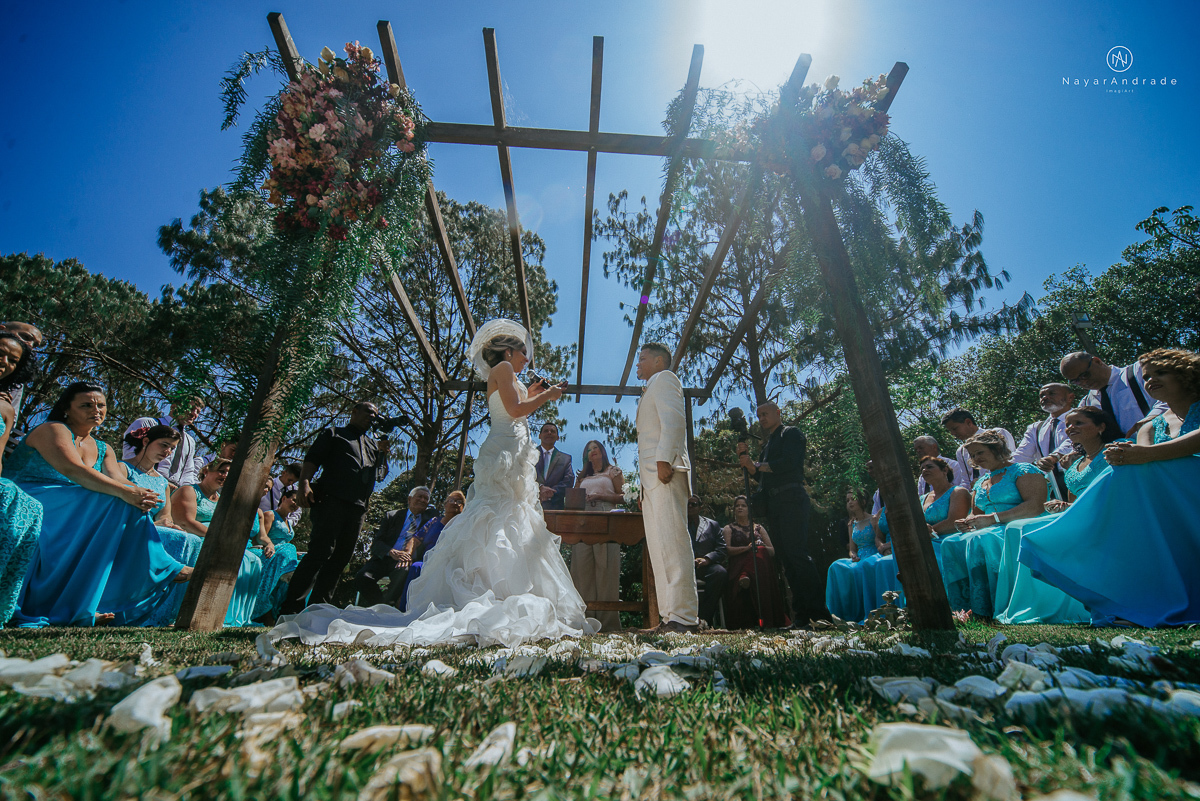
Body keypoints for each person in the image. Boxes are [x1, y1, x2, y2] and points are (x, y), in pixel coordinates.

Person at [269, 319, 598, 648]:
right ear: (510, 351)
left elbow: (518, 402)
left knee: (510, 517)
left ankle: (505, 588)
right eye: (524, 353)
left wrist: (536, 392)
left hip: (512, 451)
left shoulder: (508, 375)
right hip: (504, 454)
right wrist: (549, 395)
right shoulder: (502, 369)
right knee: (497, 516)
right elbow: (514, 408)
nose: (528, 360)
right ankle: (490, 590)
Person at [1021, 348, 1200, 627]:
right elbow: (1143, 466)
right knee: (1125, 477)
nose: (1150, 381)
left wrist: (1143, 456)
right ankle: (1130, 595)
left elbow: (1151, 458)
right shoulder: (1149, 426)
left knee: (1126, 479)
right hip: (1162, 497)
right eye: (1149, 376)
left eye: (1160, 373)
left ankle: (1077, 531)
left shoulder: (1140, 388)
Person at [9, 382, 190, 627]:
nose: (96, 410)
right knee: (114, 501)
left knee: (128, 504)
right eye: (86, 405)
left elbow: (119, 481)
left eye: (101, 405)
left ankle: (85, 604)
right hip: (33, 495)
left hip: (76, 503)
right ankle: (166, 569)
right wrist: (126, 493)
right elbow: (74, 470)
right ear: (66, 408)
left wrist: (139, 494)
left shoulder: (104, 447)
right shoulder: (52, 429)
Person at [994, 406, 1120, 624]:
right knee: (1015, 529)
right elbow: (1072, 503)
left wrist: (1072, 509)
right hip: (1078, 515)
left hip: (1106, 516)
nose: (1071, 428)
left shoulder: (1112, 454)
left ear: (1101, 427)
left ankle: (1063, 605)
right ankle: (1032, 604)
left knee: (1027, 530)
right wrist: (1061, 505)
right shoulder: (1076, 464)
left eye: (1079, 423)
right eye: (1069, 424)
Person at [278, 401, 391, 614]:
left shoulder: (371, 444)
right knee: (319, 553)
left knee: (340, 558)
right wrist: (304, 484)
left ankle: (319, 608)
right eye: (369, 411)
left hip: (358, 508)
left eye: (376, 414)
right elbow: (313, 459)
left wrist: (382, 453)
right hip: (331, 500)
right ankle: (291, 608)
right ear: (354, 412)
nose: (373, 416)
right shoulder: (334, 433)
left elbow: (380, 475)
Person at [937, 429, 1047, 619]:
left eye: (980, 452)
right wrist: (966, 523)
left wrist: (993, 519)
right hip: (988, 528)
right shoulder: (981, 483)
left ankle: (991, 606)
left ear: (996, 449)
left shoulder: (1024, 470)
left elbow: (1034, 506)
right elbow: (976, 514)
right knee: (950, 542)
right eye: (972, 455)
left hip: (1018, 526)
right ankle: (963, 607)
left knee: (982, 538)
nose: (976, 458)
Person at [738, 401, 825, 625]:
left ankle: (819, 614)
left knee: (797, 554)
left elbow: (788, 463)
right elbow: (763, 478)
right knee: (786, 558)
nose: (762, 418)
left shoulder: (791, 434)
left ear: (778, 413)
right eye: (758, 416)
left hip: (792, 499)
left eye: (765, 413)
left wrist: (757, 465)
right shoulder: (767, 445)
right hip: (775, 503)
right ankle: (802, 616)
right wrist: (750, 466)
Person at [635, 342, 700, 633]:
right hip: (650, 480)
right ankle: (669, 616)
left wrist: (664, 460)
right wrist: (642, 487)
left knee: (673, 543)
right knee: (659, 548)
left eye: (643, 358)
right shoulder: (651, 385)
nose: (638, 363)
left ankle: (685, 617)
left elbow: (674, 421)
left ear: (660, 362)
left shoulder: (665, 379)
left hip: (665, 471)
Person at [171, 458, 267, 626]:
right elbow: (185, 521)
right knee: (240, 559)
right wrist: (217, 537)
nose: (225, 476)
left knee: (254, 560)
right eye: (221, 471)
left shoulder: (223, 499)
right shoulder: (189, 491)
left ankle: (236, 616)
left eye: (229, 474)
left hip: (218, 539)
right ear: (206, 471)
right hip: (197, 537)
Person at [872, 458, 972, 610]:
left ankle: (948, 605)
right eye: (922, 469)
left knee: (924, 551)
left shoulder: (958, 492)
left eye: (929, 467)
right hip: (926, 540)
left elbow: (954, 521)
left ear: (945, 470)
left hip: (950, 538)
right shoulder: (922, 499)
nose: (924, 470)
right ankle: (917, 605)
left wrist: (927, 532)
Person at [0, 332, 42, 626]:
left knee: (27, 506)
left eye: (12, 360)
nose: (4, 362)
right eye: (1, 353)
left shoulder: (5, 409)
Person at [570, 440, 624, 631]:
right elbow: (573, 498)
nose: (592, 451)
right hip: (582, 521)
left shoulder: (613, 471)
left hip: (606, 517)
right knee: (581, 569)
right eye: (588, 449)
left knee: (606, 567)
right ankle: (584, 622)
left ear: (602, 451)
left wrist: (601, 497)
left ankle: (608, 624)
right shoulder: (582, 476)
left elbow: (624, 496)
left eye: (595, 448)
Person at [354, 486, 436, 608]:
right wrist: (391, 552)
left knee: (403, 572)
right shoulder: (392, 516)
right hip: (384, 558)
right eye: (419, 496)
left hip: (406, 561)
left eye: (426, 498)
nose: (423, 500)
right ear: (409, 499)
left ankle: (388, 606)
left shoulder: (430, 520)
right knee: (362, 578)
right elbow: (377, 543)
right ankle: (381, 606)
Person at [1060, 350, 1167, 436]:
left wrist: (1153, 417)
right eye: (1076, 381)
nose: (1083, 382)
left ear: (1097, 361)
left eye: (1084, 375)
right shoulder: (1087, 402)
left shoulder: (1138, 372)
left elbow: (1172, 395)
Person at [722, 495, 789, 629]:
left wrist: (759, 546)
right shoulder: (728, 529)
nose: (740, 508)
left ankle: (746, 576)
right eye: (737, 506)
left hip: (760, 567)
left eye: (743, 505)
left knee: (761, 551)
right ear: (733, 509)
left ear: (749, 509)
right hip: (738, 565)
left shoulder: (758, 528)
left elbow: (772, 551)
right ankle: (744, 574)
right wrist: (747, 548)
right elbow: (727, 550)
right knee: (756, 554)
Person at [825, 491, 888, 622]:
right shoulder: (851, 524)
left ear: (863, 501)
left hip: (873, 555)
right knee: (835, 566)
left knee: (861, 568)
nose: (850, 503)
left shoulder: (873, 519)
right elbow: (852, 548)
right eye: (847, 500)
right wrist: (853, 555)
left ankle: (867, 612)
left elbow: (879, 539)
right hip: (858, 557)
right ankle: (836, 614)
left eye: (853, 499)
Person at [122, 396, 205, 490]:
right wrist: (158, 481)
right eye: (191, 408)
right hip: (141, 483)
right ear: (174, 406)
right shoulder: (148, 424)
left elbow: (188, 471)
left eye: (198, 412)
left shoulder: (190, 442)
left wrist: (183, 490)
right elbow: (130, 455)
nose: (194, 413)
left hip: (173, 492)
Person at [401, 490, 466, 610]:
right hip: (428, 562)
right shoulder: (434, 521)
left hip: (450, 564)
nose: (455, 503)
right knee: (416, 567)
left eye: (459, 501)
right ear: (445, 504)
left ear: (463, 507)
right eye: (451, 500)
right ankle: (405, 609)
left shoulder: (463, 524)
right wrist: (407, 553)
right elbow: (415, 539)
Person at [1011, 383, 1077, 500]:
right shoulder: (1036, 428)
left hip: (1079, 476)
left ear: (1070, 397)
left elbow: (1074, 442)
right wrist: (1001, 469)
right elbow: (1022, 455)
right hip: (1052, 484)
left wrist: (1054, 457)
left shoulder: (1083, 418)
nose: (1045, 398)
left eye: (1052, 393)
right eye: (1042, 396)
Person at [941, 408, 1016, 488]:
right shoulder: (961, 451)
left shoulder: (998, 434)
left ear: (968, 422)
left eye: (955, 428)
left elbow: (1011, 462)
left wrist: (984, 481)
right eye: (950, 431)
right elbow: (966, 480)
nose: (953, 433)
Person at [259, 489, 302, 618]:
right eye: (294, 500)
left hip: (285, 556)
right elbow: (261, 538)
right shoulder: (270, 515)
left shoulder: (289, 522)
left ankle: (287, 610)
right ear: (283, 499)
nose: (296, 504)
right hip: (270, 553)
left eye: (298, 503)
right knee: (289, 548)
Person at [687, 495, 727, 627]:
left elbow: (722, 549)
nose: (690, 507)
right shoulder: (679, 524)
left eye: (693, 504)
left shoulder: (712, 525)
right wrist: (687, 560)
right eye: (687, 504)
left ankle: (704, 618)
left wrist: (707, 559)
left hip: (706, 567)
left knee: (720, 572)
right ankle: (684, 618)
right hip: (685, 567)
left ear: (700, 507)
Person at [535, 423, 573, 510]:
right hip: (531, 506)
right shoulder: (529, 455)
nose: (549, 433)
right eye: (546, 431)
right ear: (539, 436)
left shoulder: (566, 459)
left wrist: (551, 492)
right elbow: (523, 476)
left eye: (552, 431)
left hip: (555, 508)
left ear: (557, 437)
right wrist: (539, 488)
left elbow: (568, 481)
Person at [260, 462, 303, 527]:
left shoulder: (296, 491)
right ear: (284, 472)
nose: (291, 483)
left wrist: (285, 524)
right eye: (290, 480)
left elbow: (297, 513)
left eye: (294, 482)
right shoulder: (267, 485)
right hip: (262, 525)